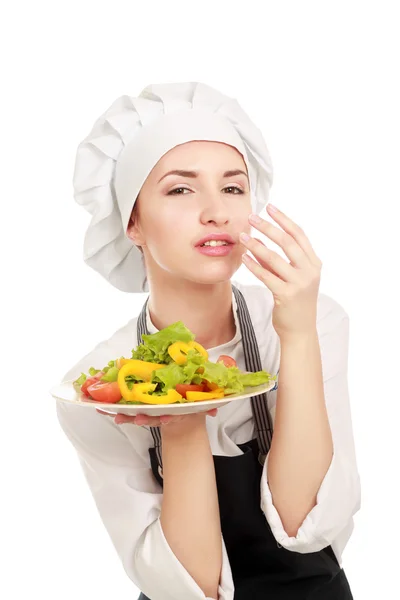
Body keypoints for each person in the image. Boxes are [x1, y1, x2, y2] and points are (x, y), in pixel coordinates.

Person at [56, 82, 361, 600]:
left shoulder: (308, 321)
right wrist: (179, 421)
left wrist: (298, 335)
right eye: (180, 189)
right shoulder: (101, 386)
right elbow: (189, 588)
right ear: (132, 222)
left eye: (234, 188)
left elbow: (303, 527)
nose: (216, 211)